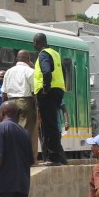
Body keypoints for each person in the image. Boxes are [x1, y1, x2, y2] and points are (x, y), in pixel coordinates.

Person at [33, 32, 69, 165]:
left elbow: (46, 71)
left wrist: (46, 88)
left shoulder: (43, 54)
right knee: (52, 124)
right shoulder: (55, 53)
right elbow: (64, 72)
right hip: (57, 91)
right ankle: (55, 157)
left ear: (37, 42)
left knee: (49, 126)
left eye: (34, 43)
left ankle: (53, 158)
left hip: (47, 93)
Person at [1, 50, 38, 159]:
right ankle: (24, 158)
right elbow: (34, 92)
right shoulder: (31, 71)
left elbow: (4, 92)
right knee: (24, 132)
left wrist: (3, 107)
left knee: (11, 131)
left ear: (17, 58)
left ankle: (11, 157)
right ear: (28, 59)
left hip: (10, 103)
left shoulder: (8, 71)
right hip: (25, 102)